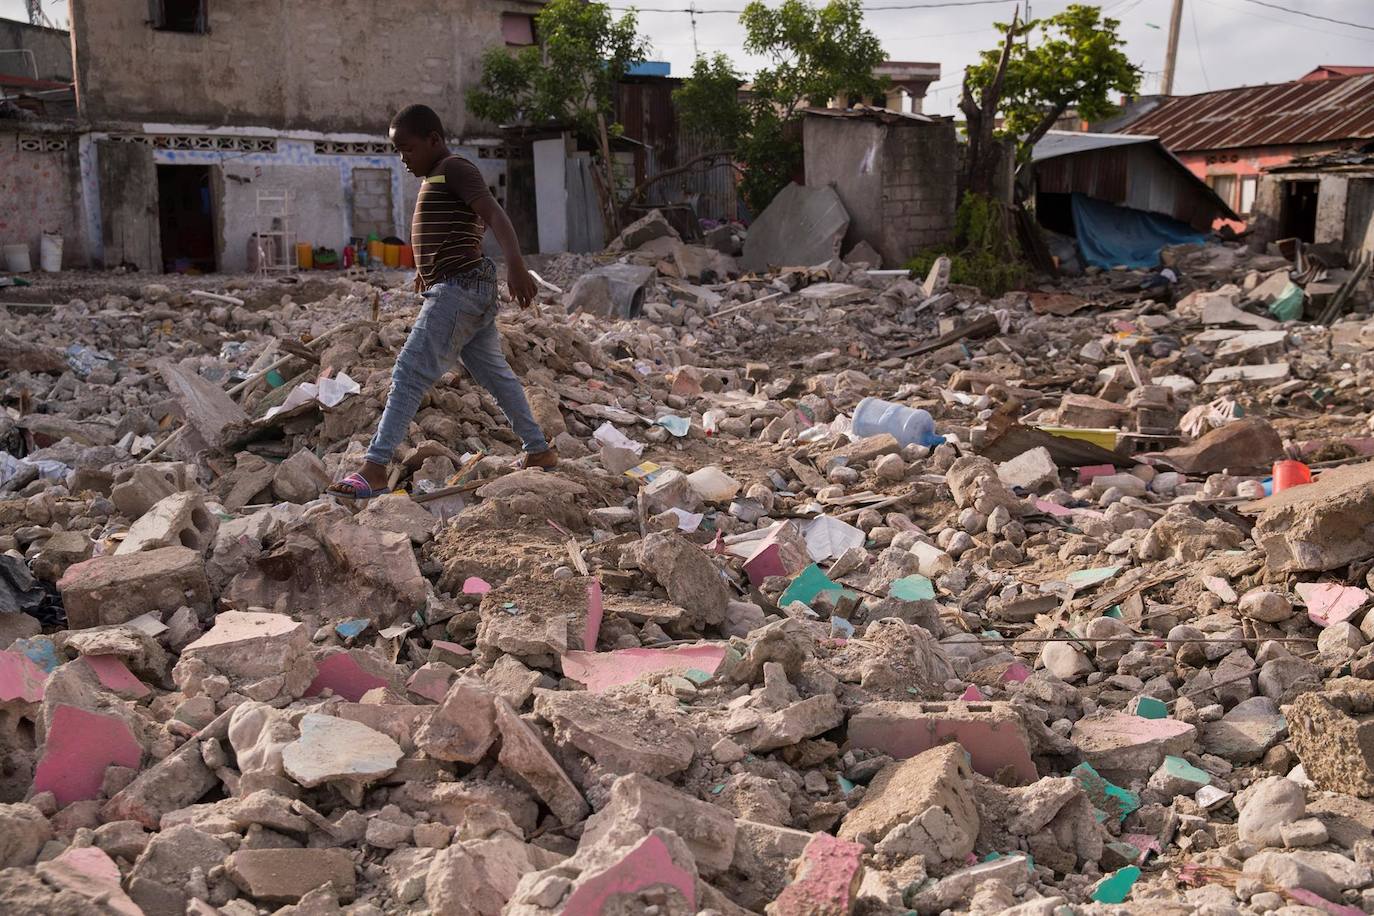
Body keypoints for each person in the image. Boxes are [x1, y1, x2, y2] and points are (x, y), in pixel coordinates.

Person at [330, 104, 556, 498]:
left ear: (434, 140)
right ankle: (538, 450)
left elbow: (494, 215)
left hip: (460, 287)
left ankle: (375, 467)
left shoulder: (455, 168)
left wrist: (517, 266)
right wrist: (427, 269)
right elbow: (449, 231)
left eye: (408, 149)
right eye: (398, 151)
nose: (403, 159)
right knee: (495, 376)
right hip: (462, 285)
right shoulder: (435, 176)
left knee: (409, 371)